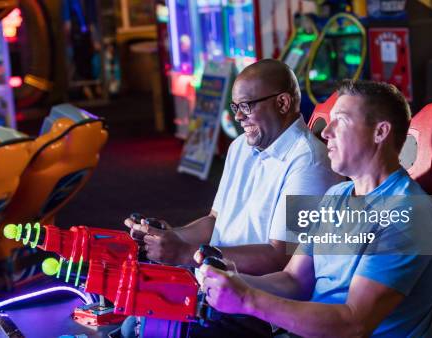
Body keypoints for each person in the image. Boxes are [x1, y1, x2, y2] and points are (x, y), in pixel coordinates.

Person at [199, 80, 432, 337]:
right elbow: (295, 281)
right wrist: (233, 280)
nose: (327, 131)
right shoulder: (336, 196)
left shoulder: (407, 215)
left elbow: (354, 324)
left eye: (340, 120)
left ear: (380, 132)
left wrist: (248, 299)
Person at [125, 59, 340, 276]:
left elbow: (281, 257)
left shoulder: (310, 161)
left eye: (246, 106)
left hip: (252, 301)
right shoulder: (240, 147)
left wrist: (185, 253)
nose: (238, 117)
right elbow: (216, 221)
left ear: (283, 103)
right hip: (215, 285)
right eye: (235, 107)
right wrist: (168, 238)